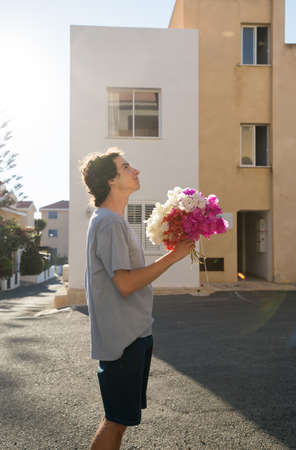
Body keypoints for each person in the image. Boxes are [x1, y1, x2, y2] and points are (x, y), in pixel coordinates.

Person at [80, 147, 194, 450]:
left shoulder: (112, 221)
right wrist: (173, 257)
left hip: (133, 334)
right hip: (123, 340)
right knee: (115, 421)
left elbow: (128, 277)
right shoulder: (109, 222)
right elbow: (126, 283)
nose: (136, 171)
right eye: (126, 166)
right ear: (111, 180)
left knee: (119, 422)